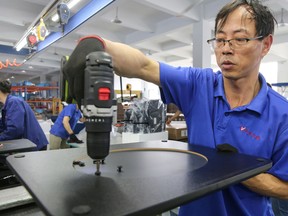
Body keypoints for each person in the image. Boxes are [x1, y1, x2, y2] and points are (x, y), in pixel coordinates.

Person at [63, 0, 288, 215]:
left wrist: (236, 170)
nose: (226, 49)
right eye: (220, 40)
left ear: (265, 44)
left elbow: (285, 189)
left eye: (239, 39)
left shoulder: (282, 115)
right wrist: (97, 45)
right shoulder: (198, 85)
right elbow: (144, 66)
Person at [0, 80, 48, 150]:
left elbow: (15, 129)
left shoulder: (14, 102)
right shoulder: (6, 105)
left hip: (34, 145)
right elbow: (2, 125)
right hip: (27, 144)